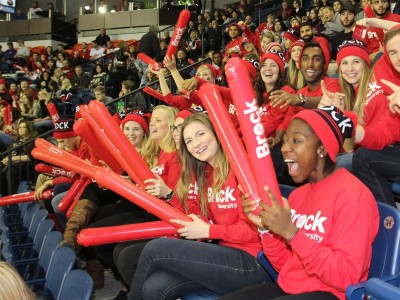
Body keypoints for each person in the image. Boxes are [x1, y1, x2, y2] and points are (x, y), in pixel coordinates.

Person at [221, 106, 379, 300]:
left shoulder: (354, 196)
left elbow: (347, 276)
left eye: (296, 140)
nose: (285, 148)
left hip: (331, 294)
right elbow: (285, 265)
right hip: (292, 289)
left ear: (322, 149)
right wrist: (266, 228)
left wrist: (291, 232)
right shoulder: (297, 196)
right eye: (286, 140)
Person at [128, 113, 271, 300]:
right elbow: (197, 216)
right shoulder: (206, 174)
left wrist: (209, 231)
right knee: (154, 287)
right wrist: (171, 196)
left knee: (154, 248)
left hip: (253, 261)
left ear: (216, 133)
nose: (195, 144)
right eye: (188, 140)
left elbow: (256, 231)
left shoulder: (242, 170)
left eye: (201, 134)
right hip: (224, 251)